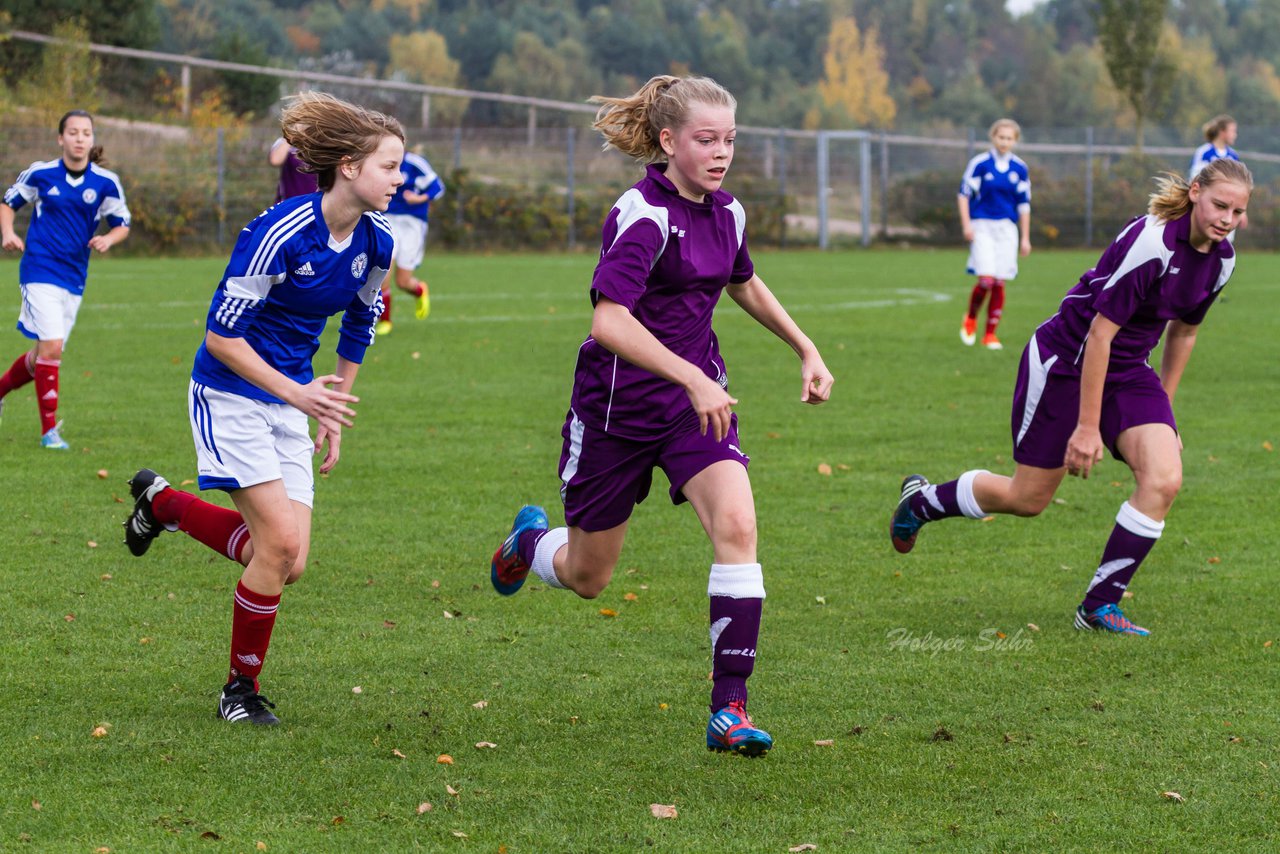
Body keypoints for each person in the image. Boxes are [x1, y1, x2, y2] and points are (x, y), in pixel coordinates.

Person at [488, 75, 835, 757]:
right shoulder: (642, 214)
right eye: (706, 139)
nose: (721, 152)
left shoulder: (726, 213)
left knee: (737, 524)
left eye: (730, 139)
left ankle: (729, 709)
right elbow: (609, 321)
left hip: (693, 412)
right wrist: (691, 376)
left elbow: (742, 281)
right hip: (614, 414)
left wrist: (805, 346)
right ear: (670, 141)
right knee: (589, 578)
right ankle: (529, 544)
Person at [122, 92, 402, 725]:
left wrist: (329, 406)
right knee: (275, 544)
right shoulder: (278, 232)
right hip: (229, 393)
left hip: (291, 397)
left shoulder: (377, 243)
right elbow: (221, 335)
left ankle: (162, 504)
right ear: (350, 168)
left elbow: (359, 322)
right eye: (389, 167)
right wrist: (297, 393)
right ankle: (237, 694)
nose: (398, 179)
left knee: (289, 561)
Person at [891, 158, 1252, 636]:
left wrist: (1164, 412)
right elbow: (1099, 335)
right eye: (1219, 205)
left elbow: (1184, 332)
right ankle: (923, 502)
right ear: (1194, 194)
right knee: (1027, 498)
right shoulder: (1154, 242)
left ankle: (1099, 606)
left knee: (1164, 478)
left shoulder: (1222, 259)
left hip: (1128, 370)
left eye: (1238, 211)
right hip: (1065, 361)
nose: (1227, 219)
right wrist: (1086, 427)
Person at [0, 110, 131, 449]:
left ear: (91, 139)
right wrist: (7, 232)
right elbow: (8, 203)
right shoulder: (41, 173)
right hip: (39, 269)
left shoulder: (105, 182)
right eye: (72, 132)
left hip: (74, 277)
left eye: (85, 133)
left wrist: (108, 239)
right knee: (53, 348)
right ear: (61, 138)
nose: (78, 138)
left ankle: (0, 391)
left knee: (44, 353)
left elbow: (122, 224)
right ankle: (49, 432)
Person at [957, 118, 1031, 351]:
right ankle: (970, 317)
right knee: (986, 280)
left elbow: (1024, 205)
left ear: (1015, 141)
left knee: (999, 282)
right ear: (993, 137)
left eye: (1009, 138)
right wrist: (967, 225)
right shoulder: (980, 164)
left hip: (1007, 230)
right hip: (982, 227)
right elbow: (963, 195)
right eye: (1001, 137)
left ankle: (990, 334)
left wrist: (1026, 237)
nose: (1004, 142)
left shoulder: (1019, 168)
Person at [376, 147, 445, 335]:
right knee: (383, 275)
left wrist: (419, 198)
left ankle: (419, 290)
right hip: (387, 221)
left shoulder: (415, 163)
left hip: (412, 225)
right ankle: (385, 321)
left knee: (403, 281)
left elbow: (438, 187)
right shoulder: (380, 164)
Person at [269, 136, 319, 203]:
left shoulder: (320, 141)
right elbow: (275, 161)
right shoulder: (284, 141)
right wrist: (291, 137)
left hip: (315, 202)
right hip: (288, 202)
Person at [1189, 114, 1241, 179]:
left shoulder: (1233, 155)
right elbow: (1195, 177)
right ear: (1222, 132)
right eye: (1233, 131)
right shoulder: (1204, 152)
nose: (1235, 135)